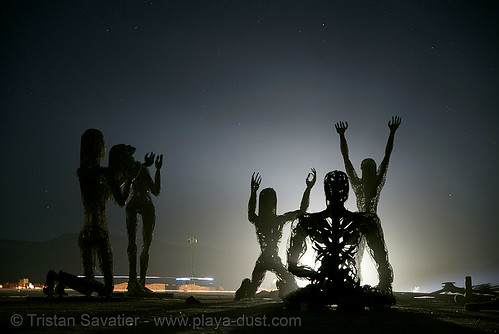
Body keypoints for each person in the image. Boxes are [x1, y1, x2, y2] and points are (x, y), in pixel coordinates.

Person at [286, 171, 395, 310]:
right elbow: (292, 264)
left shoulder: (366, 222)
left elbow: (382, 261)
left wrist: (383, 285)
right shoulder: (306, 222)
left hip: (343, 287)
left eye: (340, 188)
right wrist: (317, 275)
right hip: (325, 287)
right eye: (333, 188)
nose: (337, 192)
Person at [333, 116, 401, 290]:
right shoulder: (358, 184)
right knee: (353, 254)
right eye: (365, 168)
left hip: (369, 220)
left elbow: (387, 156)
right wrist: (341, 136)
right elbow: (346, 160)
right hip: (359, 221)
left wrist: (392, 133)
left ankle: (384, 284)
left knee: (379, 255)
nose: (368, 170)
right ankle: (351, 283)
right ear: (363, 171)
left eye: (370, 168)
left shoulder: (376, 183)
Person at [234, 169, 316, 300]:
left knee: (253, 289)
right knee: (291, 284)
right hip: (272, 259)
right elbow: (302, 211)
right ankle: (252, 289)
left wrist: (253, 192)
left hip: (264, 259)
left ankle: (247, 288)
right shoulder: (278, 220)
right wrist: (308, 188)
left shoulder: (260, 220)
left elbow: (251, 212)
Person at [76, 130, 138, 297]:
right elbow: (121, 200)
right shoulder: (105, 174)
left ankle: (59, 277)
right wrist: (129, 179)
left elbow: (104, 193)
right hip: (100, 233)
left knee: (88, 287)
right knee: (107, 288)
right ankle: (60, 277)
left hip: (86, 233)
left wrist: (123, 178)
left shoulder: (82, 173)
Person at [125, 152, 163, 295]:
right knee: (133, 244)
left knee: (146, 245)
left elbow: (156, 191)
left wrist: (158, 171)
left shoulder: (141, 170)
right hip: (137, 204)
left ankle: (140, 281)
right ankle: (133, 280)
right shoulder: (132, 170)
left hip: (145, 205)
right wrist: (150, 167)